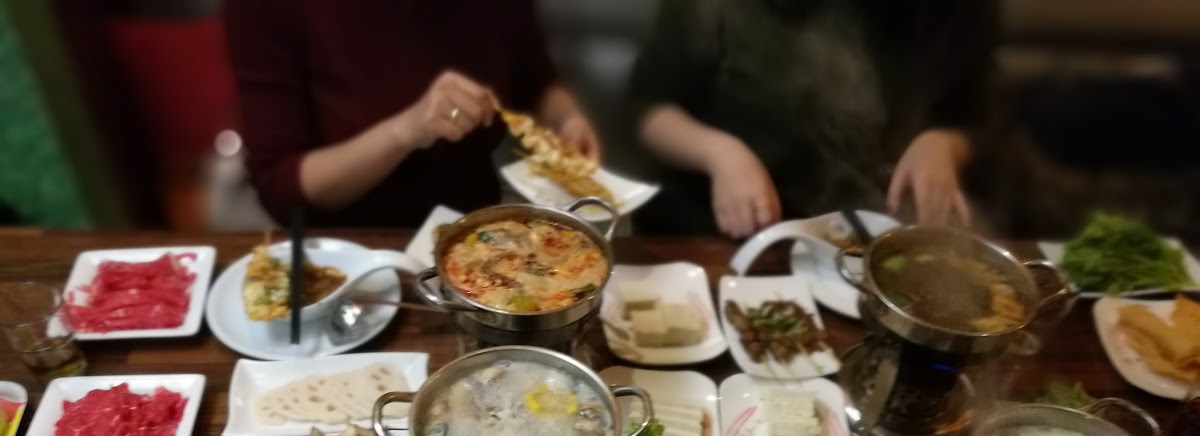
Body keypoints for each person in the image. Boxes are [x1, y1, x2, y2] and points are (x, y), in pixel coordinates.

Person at [630, 0, 999, 238]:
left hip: (880, 239)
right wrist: (721, 154)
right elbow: (647, 109)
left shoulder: (954, 11)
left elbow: (980, 115)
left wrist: (944, 144)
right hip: (729, 232)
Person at [224, 0, 600, 227]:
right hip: (347, 252)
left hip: (478, 231)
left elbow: (537, 80)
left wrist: (566, 118)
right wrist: (405, 131)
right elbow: (280, 185)